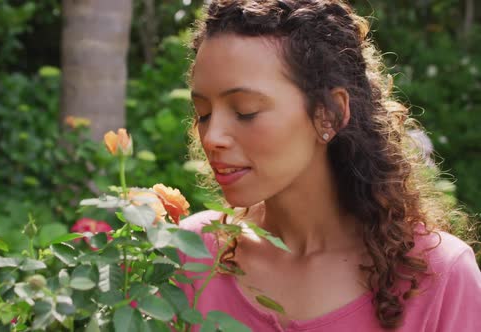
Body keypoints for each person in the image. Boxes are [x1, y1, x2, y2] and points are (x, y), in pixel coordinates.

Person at [177, 0, 481, 331]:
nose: (212, 137)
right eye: (203, 113)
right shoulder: (189, 254)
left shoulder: (437, 275)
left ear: (330, 114)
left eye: (246, 110)